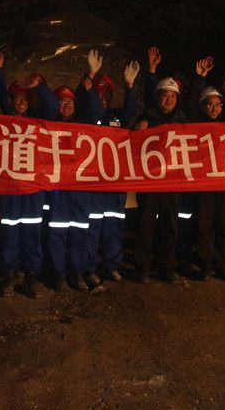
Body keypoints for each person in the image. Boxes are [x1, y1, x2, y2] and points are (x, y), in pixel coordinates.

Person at [0, 47, 58, 298]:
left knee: (31, 232)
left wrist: (38, 87)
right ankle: (8, 274)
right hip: (10, 186)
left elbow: (53, 104)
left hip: (32, 188)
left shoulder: (38, 119)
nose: (20, 102)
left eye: (24, 98)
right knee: (10, 231)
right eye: (16, 98)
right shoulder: (6, 119)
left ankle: (30, 275)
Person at [79, 54, 140, 284]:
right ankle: (89, 267)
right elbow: (85, 103)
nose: (102, 99)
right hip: (93, 183)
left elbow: (130, 109)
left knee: (114, 225)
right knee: (92, 227)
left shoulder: (117, 117)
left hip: (114, 182)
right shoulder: (87, 116)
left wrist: (130, 86)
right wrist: (90, 79)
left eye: (106, 95)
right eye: (99, 94)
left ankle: (112, 265)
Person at [187, 56, 225, 280]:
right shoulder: (197, 122)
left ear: (222, 105)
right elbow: (189, 108)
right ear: (203, 106)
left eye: (217, 104)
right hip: (204, 182)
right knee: (202, 225)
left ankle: (222, 264)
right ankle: (205, 264)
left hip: (224, 181)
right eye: (209, 104)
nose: (214, 108)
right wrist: (199, 78)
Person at [134, 47, 189, 283]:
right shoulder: (147, 118)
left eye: (173, 97)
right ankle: (142, 268)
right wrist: (151, 71)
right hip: (150, 182)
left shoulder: (183, 121)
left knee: (170, 225)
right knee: (145, 225)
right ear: (157, 98)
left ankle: (166, 267)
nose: (169, 100)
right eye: (165, 96)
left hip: (172, 183)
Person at [45, 79, 99, 292]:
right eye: (61, 101)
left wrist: (89, 88)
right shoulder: (47, 124)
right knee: (57, 232)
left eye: (70, 102)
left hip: (79, 188)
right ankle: (59, 274)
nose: (66, 105)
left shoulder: (84, 124)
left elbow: (96, 111)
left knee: (79, 232)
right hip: (58, 189)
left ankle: (77, 272)